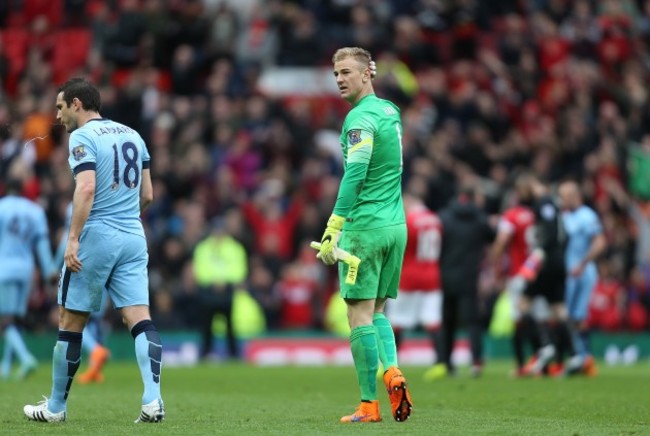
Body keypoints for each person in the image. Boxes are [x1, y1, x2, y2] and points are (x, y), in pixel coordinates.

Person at [24, 78, 164, 423]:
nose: (57, 116)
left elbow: (86, 188)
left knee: (70, 321)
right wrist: (124, 220)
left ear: (76, 103)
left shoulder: (82, 137)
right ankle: (153, 401)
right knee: (139, 317)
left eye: (59, 107)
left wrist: (73, 239)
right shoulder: (133, 134)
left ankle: (56, 408)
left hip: (97, 233)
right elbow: (147, 195)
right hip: (133, 232)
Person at [315, 47, 412, 423]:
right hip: (395, 226)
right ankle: (392, 369)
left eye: (346, 72)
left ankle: (369, 405)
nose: (339, 79)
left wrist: (334, 226)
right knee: (379, 311)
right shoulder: (390, 111)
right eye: (335, 73)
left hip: (365, 229)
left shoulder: (359, 119)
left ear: (367, 74)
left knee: (358, 316)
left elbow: (356, 171)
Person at [512, 172, 579, 376]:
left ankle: (546, 345)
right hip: (559, 261)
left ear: (530, 185)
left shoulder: (544, 202)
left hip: (547, 261)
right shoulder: (553, 204)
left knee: (523, 302)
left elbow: (549, 232)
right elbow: (564, 235)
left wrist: (540, 253)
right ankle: (575, 355)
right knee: (558, 309)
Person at [385, 178, 444, 379]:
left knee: (397, 321)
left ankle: (389, 365)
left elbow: (400, 248)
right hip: (432, 275)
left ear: (409, 200)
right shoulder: (435, 219)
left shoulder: (408, 221)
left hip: (410, 276)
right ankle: (440, 363)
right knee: (433, 321)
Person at [0, 177, 57, 380]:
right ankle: (6, 366)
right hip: (26, 269)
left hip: (4, 267)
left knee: (5, 321)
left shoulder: (2, 207)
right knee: (16, 320)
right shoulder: (35, 211)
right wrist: (49, 268)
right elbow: (41, 242)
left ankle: (25, 358)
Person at [436, 183, 494, 379]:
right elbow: (492, 237)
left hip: (445, 275)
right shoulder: (479, 218)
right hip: (470, 277)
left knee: (447, 322)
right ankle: (476, 361)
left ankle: (446, 362)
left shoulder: (443, 217)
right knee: (472, 322)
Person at [53, 202, 111, 384]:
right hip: (105, 260)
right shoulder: (106, 198)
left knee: (71, 318)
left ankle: (95, 349)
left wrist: (54, 266)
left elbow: (69, 237)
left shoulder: (75, 204)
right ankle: (94, 368)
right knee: (94, 319)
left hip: (81, 265)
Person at [558, 180, 606, 375]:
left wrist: (584, 263)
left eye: (564, 195)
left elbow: (600, 242)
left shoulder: (587, 215)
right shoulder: (563, 216)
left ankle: (585, 358)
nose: (561, 199)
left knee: (579, 316)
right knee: (567, 317)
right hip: (567, 274)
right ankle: (577, 357)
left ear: (575, 195)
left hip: (583, 273)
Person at [489, 188, 538, 376]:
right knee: (540, 315)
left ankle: (522, 364)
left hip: (520, 272)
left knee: (519, 318)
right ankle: (547, 360)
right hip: (537, 270)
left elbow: (502, 242)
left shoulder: (511, 216)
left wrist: (493, 262)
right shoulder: (535, 214)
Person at [192, 213, 248, 360]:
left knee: (230, 325)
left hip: (227, 290)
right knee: (206, 325)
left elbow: (239, 269)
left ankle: (234, 354)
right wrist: (213, 281)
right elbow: (200, 269)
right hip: (208, 290)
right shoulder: (203, 248)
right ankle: (205, 354)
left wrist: (224, 281)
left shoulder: (235, 248)